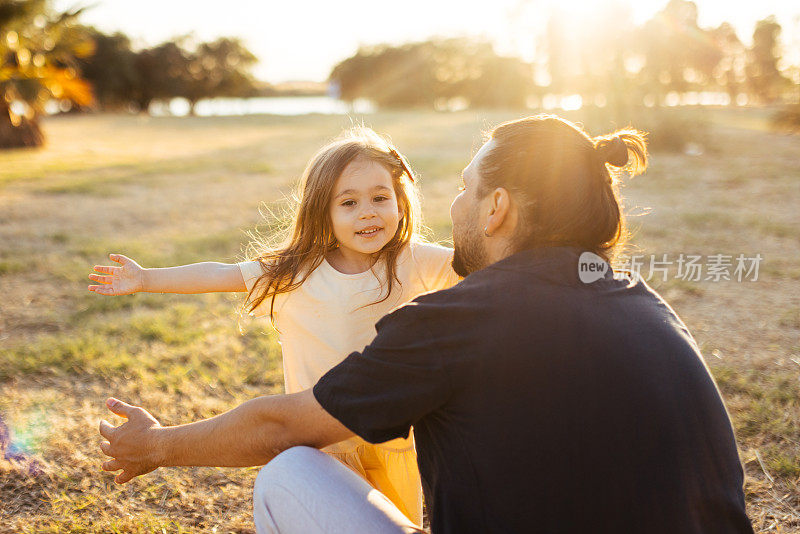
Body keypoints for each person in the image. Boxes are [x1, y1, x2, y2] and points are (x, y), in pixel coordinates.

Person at [98, 114, 754, 534]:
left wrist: (157, 446)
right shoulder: (648, 308)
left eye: (465, 189)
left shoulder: (460, 318)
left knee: (287, 472)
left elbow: (278, 428)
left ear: (497, 208)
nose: (453, 202)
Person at [88, 127, 459, 525]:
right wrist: (146, 279)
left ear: (400, 203)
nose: (368, 211)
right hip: (316, 439)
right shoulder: (297, 271)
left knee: (390, 522)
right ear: (323, 213)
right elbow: (220, 274)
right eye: (348, 202)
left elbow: (485, 272)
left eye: (381, 198)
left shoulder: (416, 260)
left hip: (387, 439)